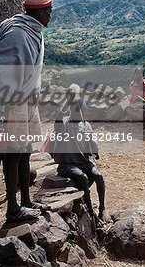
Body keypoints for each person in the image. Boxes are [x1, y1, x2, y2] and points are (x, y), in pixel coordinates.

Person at [0, 0, 52, 222]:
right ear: (39, 11)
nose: (50, 15)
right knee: (14, 154)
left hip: (29, 99)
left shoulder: (28, 28)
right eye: (48, 11)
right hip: (17, 102)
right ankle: (13, 208)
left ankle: (26, 201)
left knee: (26, 150)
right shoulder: (18, 33)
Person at [53, 84, 108, 226]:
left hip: (83, 162)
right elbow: (58, 119)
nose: (82, 111)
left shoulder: (86, 125)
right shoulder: (64, 124)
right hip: (68, 164)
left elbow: (92, 143)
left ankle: (102, 208)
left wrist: (95, 152)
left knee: (99, 176)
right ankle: (91, 212)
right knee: (83, 178)